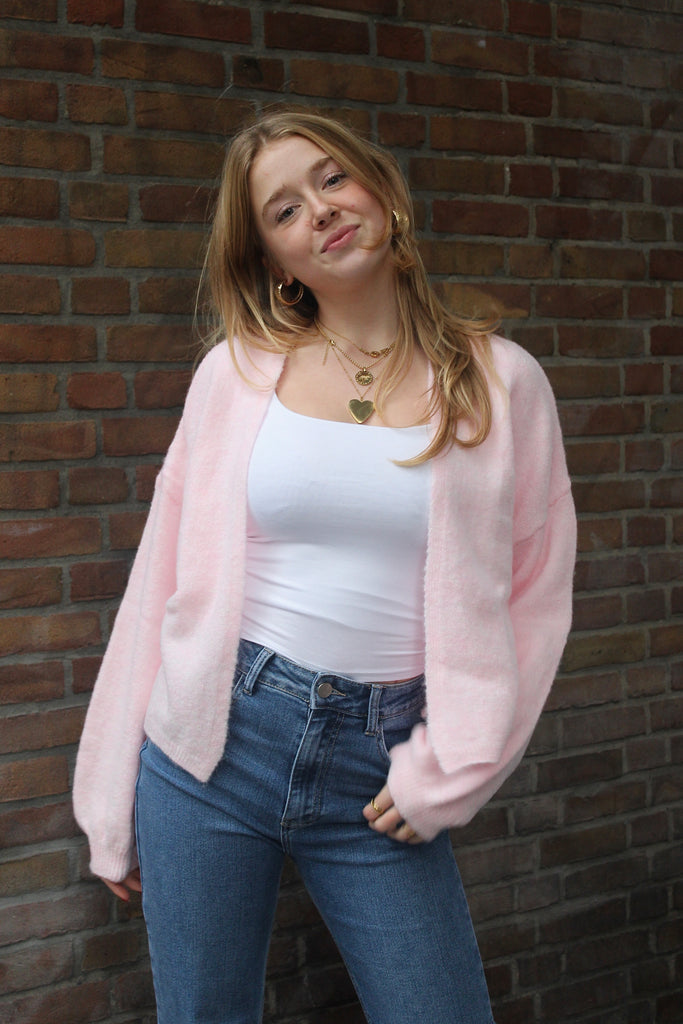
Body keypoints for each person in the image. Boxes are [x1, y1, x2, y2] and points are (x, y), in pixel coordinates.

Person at [73, 109, 576, 1024]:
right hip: (213, 745)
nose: (320, 210)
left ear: (379, 189)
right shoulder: (233, 377)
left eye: (332, 178)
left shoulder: (502, 381)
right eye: (283, 209)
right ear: (274, 259)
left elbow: (535, 599)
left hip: (378, 768)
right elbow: (160, 586)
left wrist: (452, 768)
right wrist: (108, 797)